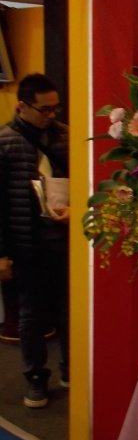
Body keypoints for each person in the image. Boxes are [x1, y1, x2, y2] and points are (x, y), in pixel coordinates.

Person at [0, 73, 69, 408]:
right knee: (31, 316)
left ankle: (71, 368)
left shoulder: (65, 136)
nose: (51, 115)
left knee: (69, 311)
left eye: (56, 108)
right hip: (25, 244)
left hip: (64, 240)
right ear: (21, 107)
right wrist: (2, 254)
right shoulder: (5, 142)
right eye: (44, 109)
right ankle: (36, 379)